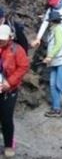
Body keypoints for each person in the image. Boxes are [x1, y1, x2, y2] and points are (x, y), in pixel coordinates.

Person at [0, 24, 29, 157]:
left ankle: (8, 145)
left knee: (6, 119)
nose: (1, 41)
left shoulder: (17, 50)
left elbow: (23, 67)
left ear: (9, 37)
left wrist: (9, 82)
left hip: (9, 90)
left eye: (3, 39)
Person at [42, 11, 62, 119]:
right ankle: (56, 108)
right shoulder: (54, 29)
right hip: (56, 61)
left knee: (60, 85)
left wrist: (49, 56)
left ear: (51, 21)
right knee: (53, 85)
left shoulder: (57, 29)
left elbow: (59, 44)